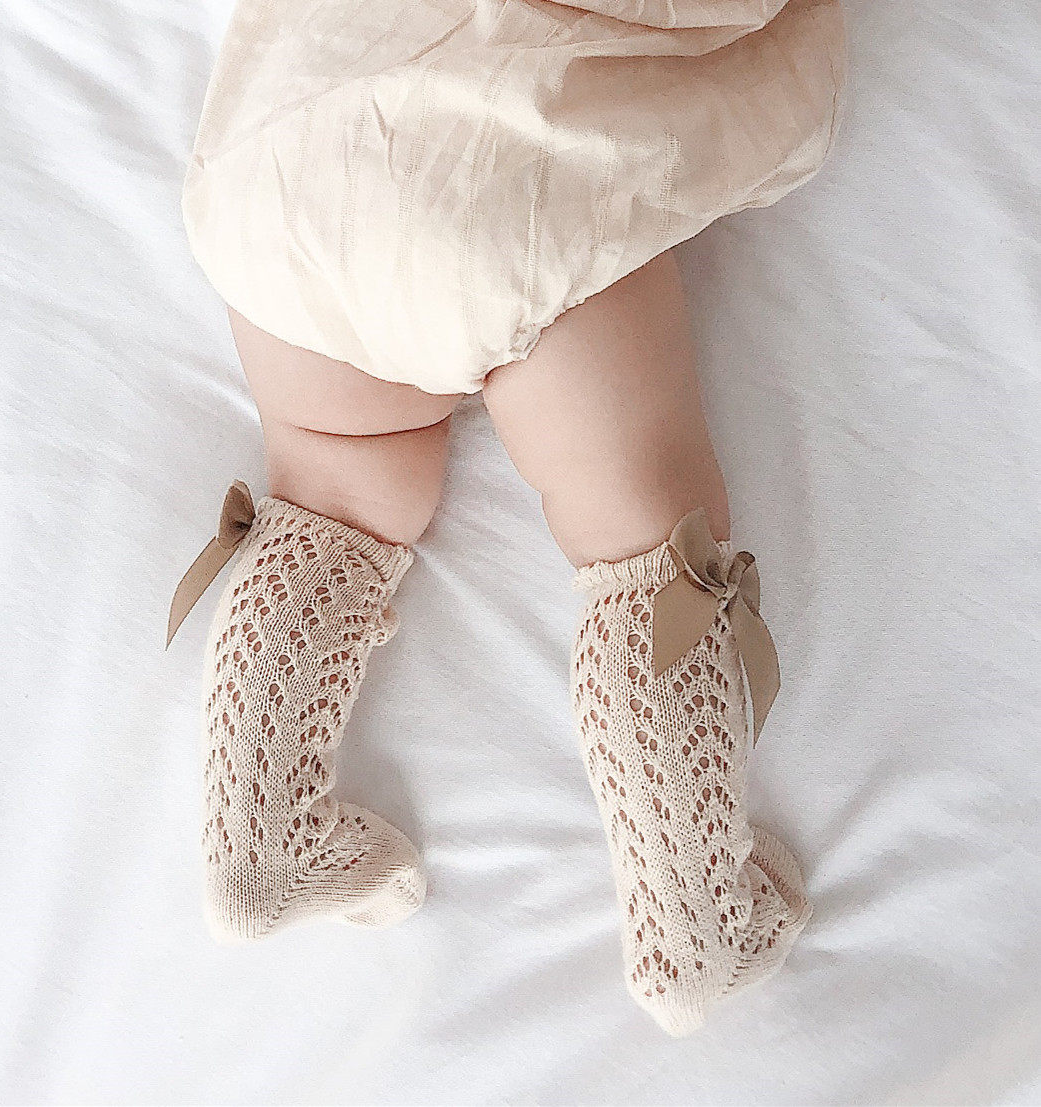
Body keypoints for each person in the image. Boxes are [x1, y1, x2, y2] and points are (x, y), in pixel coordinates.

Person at [173, 0, 845, 1036]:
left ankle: (258, 836)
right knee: (647, 550)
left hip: (298, 177)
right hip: (519, 197)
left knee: (331, 492)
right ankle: (696, 920)